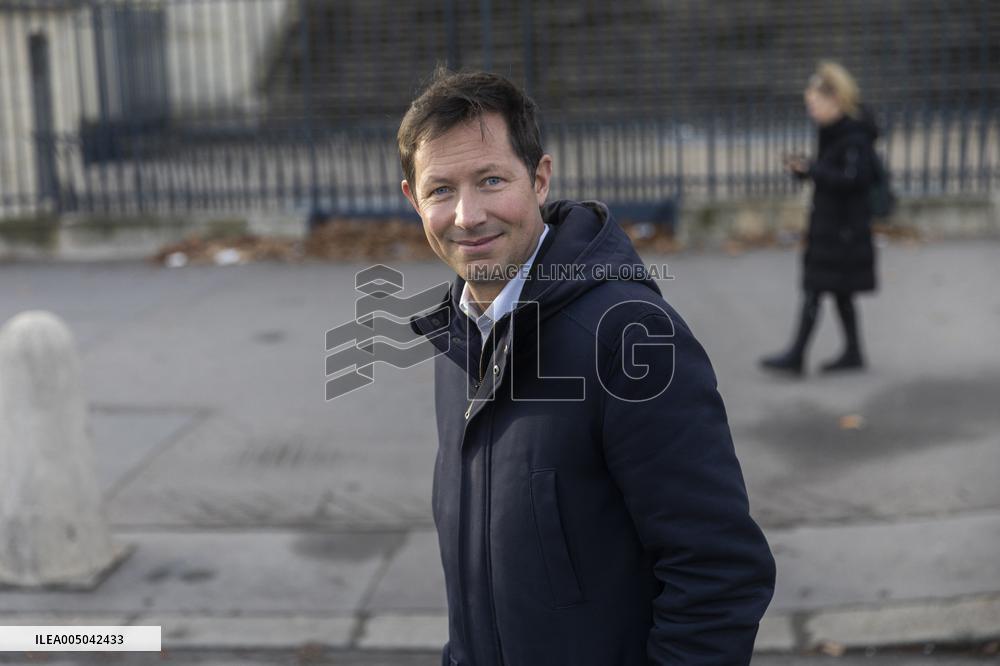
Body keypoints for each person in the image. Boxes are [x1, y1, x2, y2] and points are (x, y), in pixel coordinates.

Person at [402, 69, 775, 665]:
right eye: (440, 189)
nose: (467, 215)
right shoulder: (460, 333)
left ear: (540, 178)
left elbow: (719, 575)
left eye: (492, 180)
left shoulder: (630, 336)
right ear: (413, 200)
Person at [761, 61, 879, 375]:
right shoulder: (834, 132)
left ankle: (797, 356)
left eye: (815, 103)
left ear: (835, 100)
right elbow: (836, 174)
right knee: (840, 292)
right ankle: (853, 353)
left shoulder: (853, 135)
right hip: (834, 224)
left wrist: (812, 170)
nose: (811, 111)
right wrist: (806, 170)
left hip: (842, 229)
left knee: (816, 287)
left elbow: (854, 179)